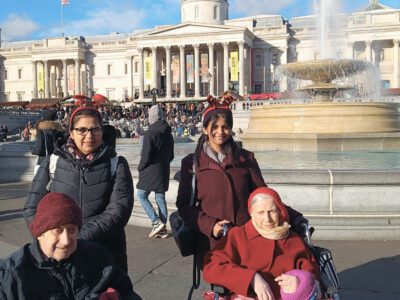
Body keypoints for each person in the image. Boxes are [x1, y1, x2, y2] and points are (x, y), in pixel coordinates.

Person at [176, 93, 306, 269]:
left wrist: (295, 217)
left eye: (225, 127)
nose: (220, 132)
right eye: (215, 127)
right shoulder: (192, 164)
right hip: (213, 242)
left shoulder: (246, 159)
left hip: (249, 238)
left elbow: (264, 196)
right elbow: (184, 206)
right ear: (205, 129)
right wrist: (210, 226)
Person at [24, 106, 134, 272]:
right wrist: (50, 240)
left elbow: (119, 211)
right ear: (71, 132)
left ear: (102, 131)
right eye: (82, 129)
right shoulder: (52, 162)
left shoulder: (116, 164)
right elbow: (31, 208)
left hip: (104, 254)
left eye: (95, 129)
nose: (89, 136)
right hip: (60, 254)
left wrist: (77, 238)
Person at [0, 192, 141, 300]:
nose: (66, 240)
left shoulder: (98, 257)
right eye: (57, 230)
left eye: (72, 230)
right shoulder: (12, 276)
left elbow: (127, 292)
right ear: (39, 233)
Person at [203, 187, 319, 300]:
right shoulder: (237, 236)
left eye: (271, 212)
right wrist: (251, 278)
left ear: (279, 211)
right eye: (260, 213)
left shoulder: (293, 239)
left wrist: (299, 280)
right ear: (252, 213)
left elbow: (311, 270)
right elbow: (211, 267)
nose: (267, 219)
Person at [137, 104, 174, 238]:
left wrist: (140, 168)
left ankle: (156, 222)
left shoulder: (150, 133)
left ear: (151, 117)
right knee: (160, 197)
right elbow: (171, 156)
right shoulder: (168, 134)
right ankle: (162, 229)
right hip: (164, 170)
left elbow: (145, 155)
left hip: (150, 171)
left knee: (141, 195)